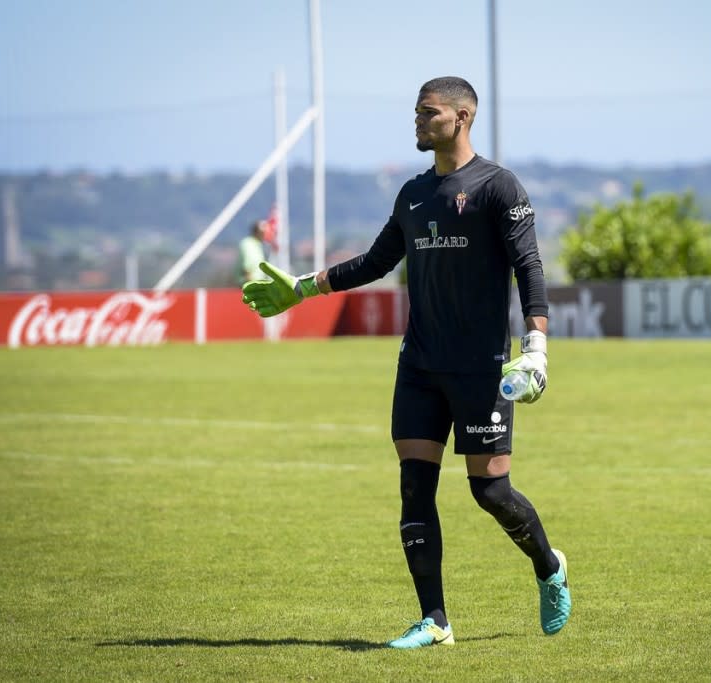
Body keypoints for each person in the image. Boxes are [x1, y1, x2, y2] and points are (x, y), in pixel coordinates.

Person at [240, 76, 571, 649]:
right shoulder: (414, 194)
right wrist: (303, 286)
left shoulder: (498, 186)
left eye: (428, 113)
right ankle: (435, 621)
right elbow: (374, 261)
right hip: (419, 365)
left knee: (490, 492)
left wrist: (536, 345)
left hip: (481, 368)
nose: (417, 122)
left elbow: (529, 265)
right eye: (416, 113)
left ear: (462, 117)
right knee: (415, 488)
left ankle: (549, 566)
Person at [236, 220, 270, 285]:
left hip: (256, 285)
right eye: (263, 232)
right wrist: (252, 285)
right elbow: (246, 267)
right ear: (257, 232)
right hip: (251, 287)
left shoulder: (257, 245)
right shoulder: (248, 244)